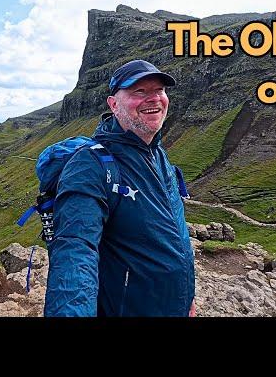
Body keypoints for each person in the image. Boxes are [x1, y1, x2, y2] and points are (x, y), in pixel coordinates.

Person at [44, 59, 196, 317]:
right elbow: (76, 249)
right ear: (114, 105)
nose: (154, 99)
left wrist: (186, 299)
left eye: (159, 90)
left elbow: (175, 235)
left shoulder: (158, 153)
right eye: (139, 92)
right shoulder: (89, 165)